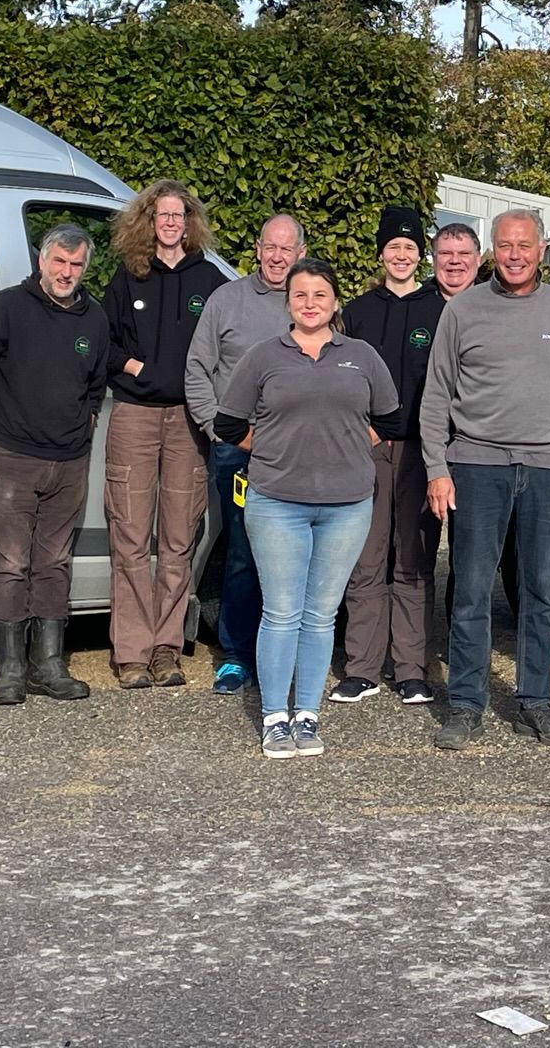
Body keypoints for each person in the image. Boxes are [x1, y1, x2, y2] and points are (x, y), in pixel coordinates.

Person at [421, 209, 550, 751]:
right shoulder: (464, 309)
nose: (515, 255)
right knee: (471, 588)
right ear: (493, 250)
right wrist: (436, 470)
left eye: (524, 245)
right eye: (505, 245)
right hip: (477, 464)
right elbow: (435, 395)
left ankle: (535, 700)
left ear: (541, 249)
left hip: (546, 468)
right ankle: (467, 704)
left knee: (540, 590)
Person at [214, 258, 398, 758]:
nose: (310, 303)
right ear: (288, 302)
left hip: (347, 505)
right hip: (276, 501)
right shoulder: (262, 357)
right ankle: (276, 716)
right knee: (281, 612)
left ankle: (309, 715)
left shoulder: (361, 356)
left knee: (319, 617)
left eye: (320, 294)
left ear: (335, 302)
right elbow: (227, 426)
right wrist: (271, 446)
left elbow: (391, 419)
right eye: (301, 295)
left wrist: (354, 446)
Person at [0, 223, 110, 706]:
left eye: (76, 264)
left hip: (68, 463)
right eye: (58, 261)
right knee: (11, 564)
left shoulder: (95, 319)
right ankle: (11, 671)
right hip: (11, 459)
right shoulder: (5, 309)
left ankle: (50, 666)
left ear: (85, 267)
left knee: (54, 564)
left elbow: (93, 389)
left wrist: (81, 430)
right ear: (41, 261)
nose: (66, 272)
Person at [100, 181, 224, 689]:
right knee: (129, 536)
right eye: (162, 215)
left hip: (188, 422)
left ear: (189, 222)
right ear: (148, 221)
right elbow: (101, 345)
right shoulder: (128, 277)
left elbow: (228, 347)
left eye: (179, 215)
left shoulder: (210, 281)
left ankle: (167, 648)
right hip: (134, 416)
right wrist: (136, 366)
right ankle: (131, 653)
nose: (171, 223)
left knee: (177, 540)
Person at [184, 214, 306, 694]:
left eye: (287, 249)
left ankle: (283, 654)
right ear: (258, 249)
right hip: (238, 453)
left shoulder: (310, 302)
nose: (277, 257)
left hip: (295, 453)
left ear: (300, 252)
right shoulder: (226, 300)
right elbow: (197, 368)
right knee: (241, 553)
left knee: (294, 555)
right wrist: (218, 429)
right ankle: (236, 655)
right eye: (270, 247)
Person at [335, 205, 447, 706]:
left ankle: (411, 668)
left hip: (424, 449)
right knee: (367, 558)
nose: (401, 255)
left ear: (419, 255)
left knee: (415, 559)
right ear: (381, 253)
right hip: (369, 447)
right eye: (392, 248)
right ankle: (361, 667)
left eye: (409, 248)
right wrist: (361, 430)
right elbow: (343, 378)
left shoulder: (440, 309)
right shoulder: (357, 311)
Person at [430, 222, 482, 302]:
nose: (455, 260)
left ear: (478, 259)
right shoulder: (409, 306)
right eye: (446, 253)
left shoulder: (499, 306)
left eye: (464, 253)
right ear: (434, 259)